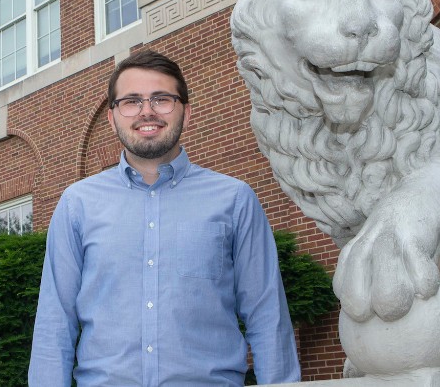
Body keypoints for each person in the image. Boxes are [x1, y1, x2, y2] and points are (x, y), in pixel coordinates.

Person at [29, 50, 300, 386]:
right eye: (131, 101)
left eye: (161, 99)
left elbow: (267, 314)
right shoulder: (77, 204)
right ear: (112, 117)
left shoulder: (234, 199)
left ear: (186, 112)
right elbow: (55, 321)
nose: (147, 111)